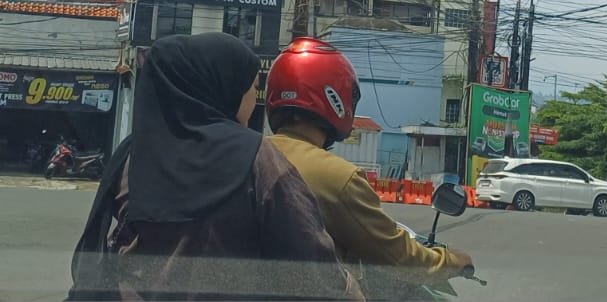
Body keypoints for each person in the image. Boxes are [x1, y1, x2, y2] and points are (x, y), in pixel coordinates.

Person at [67, 32, 362, 301]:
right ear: (225, 88)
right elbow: (313, 264)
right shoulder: (257, 157)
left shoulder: (131, 155)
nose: (253, 101)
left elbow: (97, 252)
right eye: (253, 88)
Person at [264, 38, 471, 298]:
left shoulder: (249, 155)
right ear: (335, 97)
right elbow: (397, 257)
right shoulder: (337, 178)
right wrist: (451, 261)